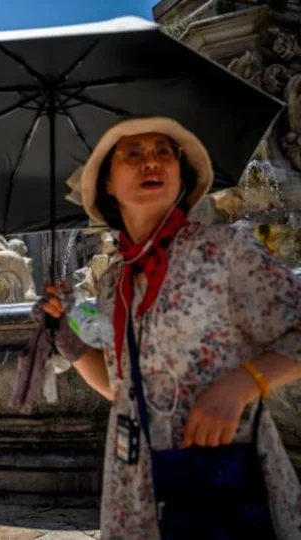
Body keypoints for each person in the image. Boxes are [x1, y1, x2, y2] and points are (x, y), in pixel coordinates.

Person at [38, 117, 301, 538]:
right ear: (107, 182)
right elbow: (119, 387)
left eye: (164, 152)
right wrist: (64, 336)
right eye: (133, 154)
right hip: (134, 486)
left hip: (222, 477)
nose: (151, 163)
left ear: (182, 173)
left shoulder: (225, 251)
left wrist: (245, 383)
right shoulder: (111, 283)